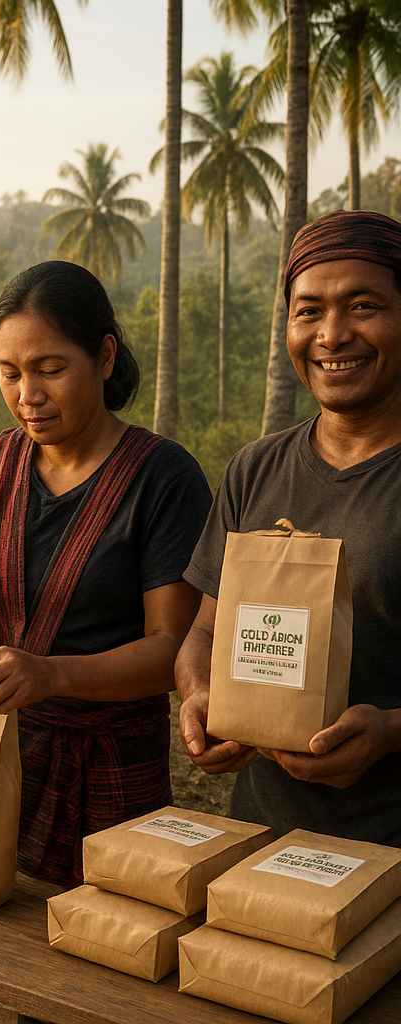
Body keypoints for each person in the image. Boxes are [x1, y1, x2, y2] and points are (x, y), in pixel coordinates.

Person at [0, 261, 212, 887]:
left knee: (98, 954)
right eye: (10, 374)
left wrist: (52, 674)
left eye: (50, 369)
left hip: (107, 772)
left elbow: (171, 650)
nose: (27, 396)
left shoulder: (162, 479)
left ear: (105, 356)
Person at [176, 209, 401, 847]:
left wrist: (388, 732)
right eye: (308, 311)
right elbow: (205, 629)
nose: (333, 335)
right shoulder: (257, 468)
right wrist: (199, 696)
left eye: (363, 305)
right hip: (261, 841)